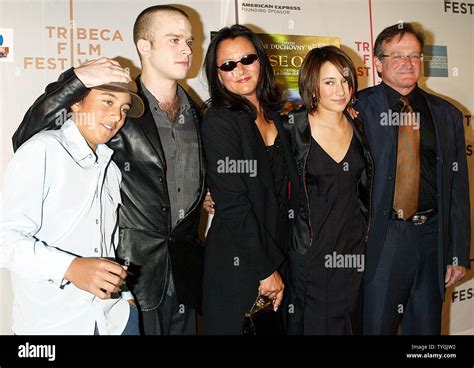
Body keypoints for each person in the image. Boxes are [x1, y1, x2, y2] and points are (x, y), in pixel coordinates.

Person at [11, 5, 205, 335]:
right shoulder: (117, 109)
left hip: (182, 275)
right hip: (130, 276)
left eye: (189, 41)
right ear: (145, 46)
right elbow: (28, 136)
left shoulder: (197, 113)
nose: (187, 49)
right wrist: (76, 81)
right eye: (174, 40)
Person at [0, 80, 145, 335]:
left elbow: (106, 243)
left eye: (124, 108)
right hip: (52, 326)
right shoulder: (41, 150)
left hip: (115, 320)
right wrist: (69, 268)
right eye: (108, 101)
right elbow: (5, 240)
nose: (117, 116)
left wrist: (126, 299)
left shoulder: (110, 169)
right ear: (77, 102)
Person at [355, 23, 470, 335]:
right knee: (376, 327)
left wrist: (457, 252)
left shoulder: (446, 114)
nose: (408, 63)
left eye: (415, 56)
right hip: (383, 238)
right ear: (377, 63)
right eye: (397, 56)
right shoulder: (357, 109)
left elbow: (457, 191)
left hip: (432, 237)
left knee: (426, 334)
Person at [200, 24, 298, 334]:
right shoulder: (219, 120)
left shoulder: (276, 115)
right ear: (218, 74)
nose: (240, 70)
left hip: (278, 253)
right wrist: (265, 268)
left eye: (247, 59)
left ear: (261, 61)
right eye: (228, 65)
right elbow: (233, 203)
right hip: (239, 261)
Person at [281, 46, 374, 335]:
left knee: (350, 322)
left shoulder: (360, 124)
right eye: (329, 82)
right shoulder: (291, 128)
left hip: (353, 249)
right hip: (310, 250)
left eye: (345, 80)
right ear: (312, 86)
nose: (341, 89)